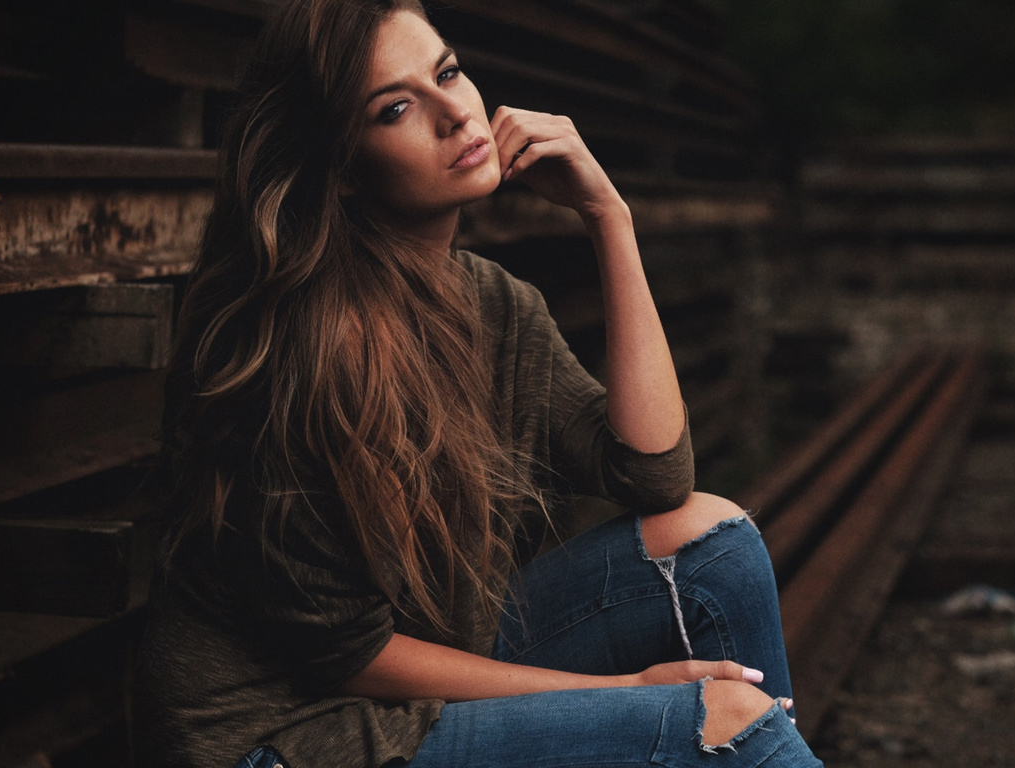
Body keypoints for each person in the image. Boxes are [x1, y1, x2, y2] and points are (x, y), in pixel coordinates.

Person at [135, 1, 823, 767]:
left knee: (714, 539)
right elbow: (348, 655)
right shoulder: (306, 343)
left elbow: (656, 473)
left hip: (425, 663)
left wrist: (608, 214)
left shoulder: (492, 303)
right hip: (291, 736)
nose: (454, 112)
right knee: (720, 721)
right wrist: (622, 690)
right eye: (397, 108)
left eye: (449, 73)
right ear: (343, 170)